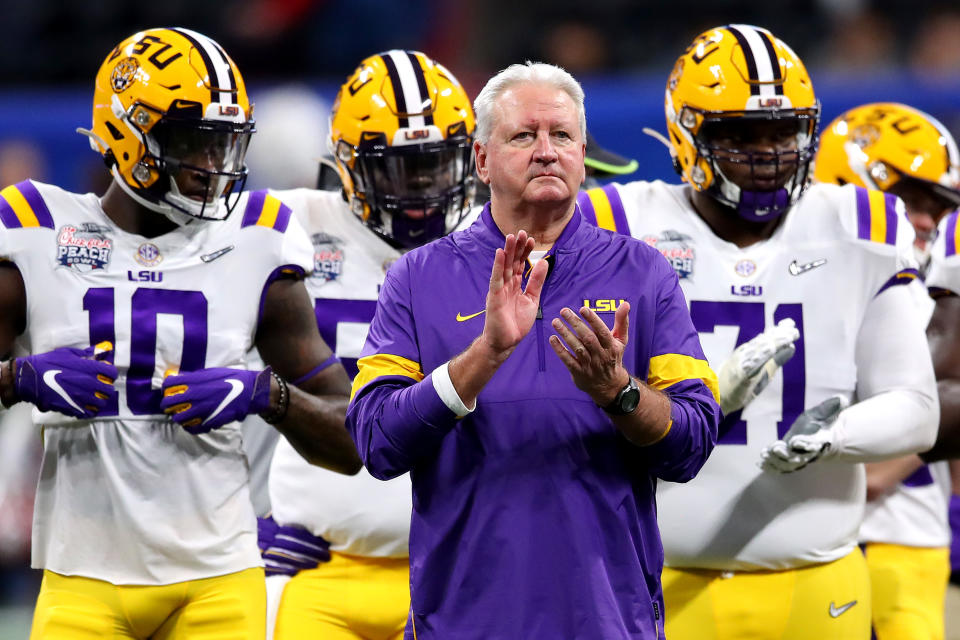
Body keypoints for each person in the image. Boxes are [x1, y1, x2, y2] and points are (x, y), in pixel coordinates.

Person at [578, 24, 939, 639]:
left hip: (816, 582)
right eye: (741, 134)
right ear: (687, 135)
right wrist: (702, 400)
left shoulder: (860, 223)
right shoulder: (618, 223)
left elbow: (917, 409)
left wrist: (838, 433)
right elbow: (570, 416)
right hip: (653, 579)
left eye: (783, 131)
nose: (768, 152)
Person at [0, 28, 361, 639]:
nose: (212, 168)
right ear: (128, 133)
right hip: (82, 576)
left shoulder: (258, 238)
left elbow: (354, 439)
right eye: (193, 142)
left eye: (224, 145)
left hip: (220, 580)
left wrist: (264, 395)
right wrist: (20, 379)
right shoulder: (36, 229)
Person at [346, 61, 721, 639]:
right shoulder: (417, 277)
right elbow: (376, 442)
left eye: (563, 135)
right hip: (465, 622)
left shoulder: (644, 274)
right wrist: (485, 356)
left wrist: (617, 393)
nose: (547, 151)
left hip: (608, 620)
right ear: (481, 159)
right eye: (524, 135)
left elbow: (692, 445)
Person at [258, 50, 478, 639]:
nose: (423, 187)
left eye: (436, 163)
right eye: (399, 168)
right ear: (348, 166)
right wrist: (233, 519)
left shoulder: (506, 238)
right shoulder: (282, 226)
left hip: (466, 567)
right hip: (317, 563)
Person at [815, 102, 960, 639]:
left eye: (937, 205)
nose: (927, 220)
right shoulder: (795, 275)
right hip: (811, 537)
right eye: (912, 199)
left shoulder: (924, 295)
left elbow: (880, 471)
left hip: (894, 537)